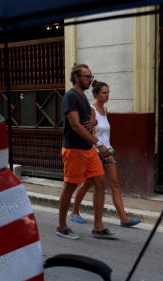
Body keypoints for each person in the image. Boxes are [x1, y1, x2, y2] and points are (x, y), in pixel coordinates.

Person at [69, 80, 141, 228]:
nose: (107, 95)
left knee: (115, 184)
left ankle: (123, 218)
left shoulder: (105, 110)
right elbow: (89, 130)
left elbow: (105, 133)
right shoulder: (91, 110)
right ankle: (75, 212)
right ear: (96, 94)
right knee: (87, 184)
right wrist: (96, 134)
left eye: (108, 92)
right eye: (104, 93)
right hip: (95, 153)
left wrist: (107, 148)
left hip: (107, 152)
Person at [56, 64, 116, 240]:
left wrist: (92, 120)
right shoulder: (70, 96)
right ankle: (61, 226)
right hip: (74, 149)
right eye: (87, 76)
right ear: (76, 78)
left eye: (90, 76)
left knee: (100, 184)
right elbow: (75, 125)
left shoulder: (82, 96)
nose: (90, 79)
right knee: (70, 187)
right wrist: (98, 143)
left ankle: (98, 227)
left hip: (88, 149)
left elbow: (89, 112)